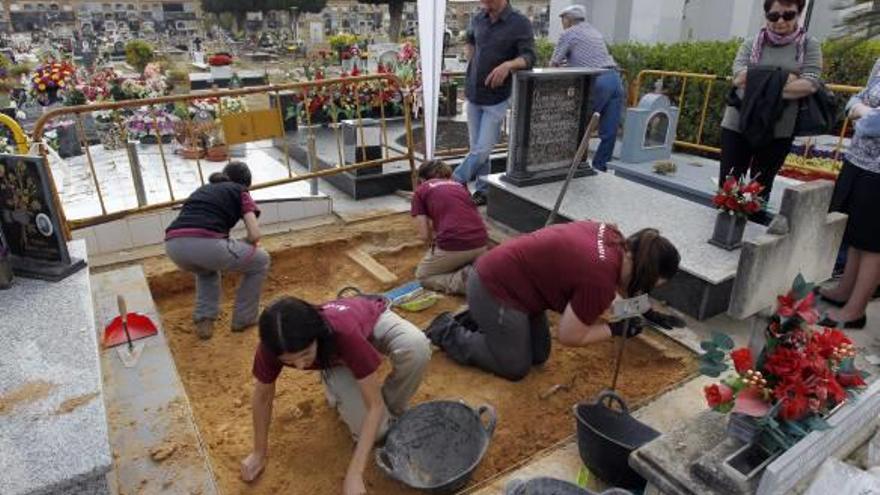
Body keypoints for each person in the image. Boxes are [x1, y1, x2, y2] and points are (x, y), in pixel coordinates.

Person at [426, 222, 680, 381]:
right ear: (642, 271)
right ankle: (448, 329)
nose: (642, 290)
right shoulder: (600, 279)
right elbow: (570, 335)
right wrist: (614, 329)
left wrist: (647, 311)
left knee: (538, 355)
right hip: (494, 286)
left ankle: (484, 319)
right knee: (515, 366)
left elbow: (603, 297)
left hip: (520, 287)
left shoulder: (613, 237)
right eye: (647, 285)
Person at [240, 296, 431, 494]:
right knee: (376, 432)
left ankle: (391, 408)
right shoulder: (271, 347)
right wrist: (258, 453)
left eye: (305, 354)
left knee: (416, 348)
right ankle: (351, 389)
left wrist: (355, 474)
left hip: (369, 322)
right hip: (336, 358)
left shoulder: (342, 332)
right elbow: (262, 396)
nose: (300, 365)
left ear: (316, 335)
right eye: (289, 361)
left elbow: (375, 405)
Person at [720, 0, 821, 215]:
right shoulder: (752, 43)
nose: (780, 21)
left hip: (779, 126)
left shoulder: (808, 46)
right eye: (774, 16)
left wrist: (758, 80)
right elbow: (738, 79)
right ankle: (725, 227)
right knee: (729, 181)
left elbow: (810, 84)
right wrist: (785, 78)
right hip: (739, 120)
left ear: (799, 14)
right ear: (766, 15)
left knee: (761, 183)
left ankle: (751, 233)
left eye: (788, 15)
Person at [164, 162, 270, 339]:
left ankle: (204, 320)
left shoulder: (203, 190)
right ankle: (244, 319)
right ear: (246, 183)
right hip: (207, 245)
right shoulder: (241, 191)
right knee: (261, 260)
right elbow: (255, 234)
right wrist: (245, 243)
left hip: (173, 245)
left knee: (206, 271)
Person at [816, 58, 880, 330]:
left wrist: (862, 112)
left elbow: (869, 125)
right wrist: (864, 109)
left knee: (874, 242)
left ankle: (855, 310)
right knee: (855, 232)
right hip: (858, 159)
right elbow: (854, 102)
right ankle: (844, 291)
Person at [453, 0, 536, 206]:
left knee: (482, 150)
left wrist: (509, 65)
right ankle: (483, 191)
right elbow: (471, 40)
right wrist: (471, 67)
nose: (483, 4)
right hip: (473, 94)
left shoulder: (520, 23)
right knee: (478, 149)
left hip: (496, 98)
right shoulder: (479, 17)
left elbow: (530, 57)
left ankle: (453, 181)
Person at [550, 5, 624, 172]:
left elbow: (553, 64)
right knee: (609, 131)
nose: (562, 22)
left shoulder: (569, 33)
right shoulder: (594, 32)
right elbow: (587, 57)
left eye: (562, 19)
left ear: (568, 19)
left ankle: (577, 166)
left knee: (579, 125)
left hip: (597, 82)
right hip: (615, 79)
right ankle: (600, 167)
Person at [411, 160, 489, 295]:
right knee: (458, 257)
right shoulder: (459, 186)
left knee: (423, 276)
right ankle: (474, 266)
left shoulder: (421, 190)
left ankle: (464, 282)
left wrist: (432, 247)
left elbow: (424, 235)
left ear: (422, 179)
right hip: (481, 242)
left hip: (455, 243)